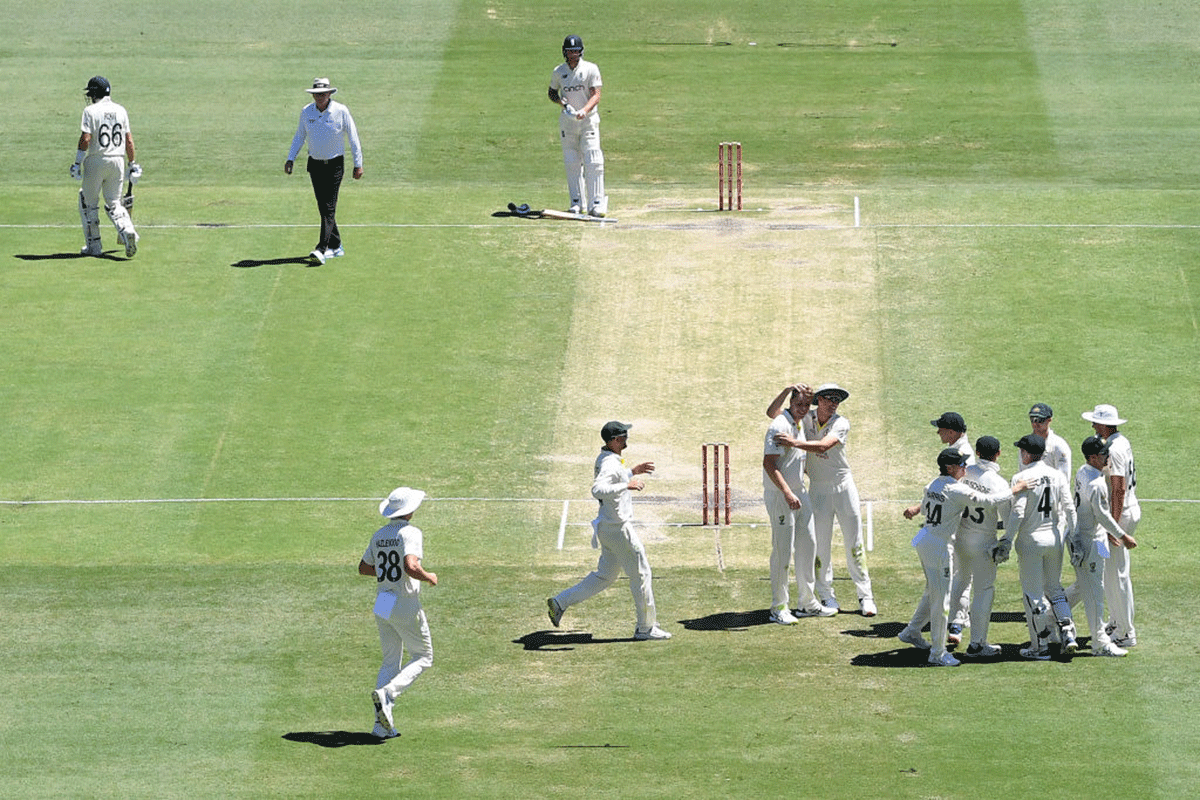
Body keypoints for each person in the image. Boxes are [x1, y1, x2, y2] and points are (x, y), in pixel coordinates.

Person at [899, 449, 1024, 666]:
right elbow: (988, 500)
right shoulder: (957, 490)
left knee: (933, 591)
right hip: (939, 546)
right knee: (942, 600)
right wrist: (1014, 490)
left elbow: (927, 507)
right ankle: (937, 653)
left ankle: (912, 632)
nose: (965, 469)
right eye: (961, 465)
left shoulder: (932, 484)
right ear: (950, 468)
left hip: (924, 539)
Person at [547, 421, 670, 640]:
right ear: (614, 441)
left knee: (605, 577)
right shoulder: (608, 463)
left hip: (607, 528)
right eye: (623, 437)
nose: (626, 440)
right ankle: (645, 628)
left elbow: (615, 476)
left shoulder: (608, 458)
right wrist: (627, 485)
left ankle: (560, 603)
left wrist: (632, 472)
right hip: (618, 530)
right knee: (642, 574)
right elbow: (598, 489)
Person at [779, 383, 875, 616]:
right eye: (829, 398)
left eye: (837, 400)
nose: (833, 404)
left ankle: (866, 597)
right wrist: (786, 391)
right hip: (818, 491)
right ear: (818, 400)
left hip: (843, 486)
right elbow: (774, 415)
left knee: (854, 542)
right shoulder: (804, 418)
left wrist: (794, 443)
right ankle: (827, 596)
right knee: (820, 545)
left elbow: (824, 445)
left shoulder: (841, 423)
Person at [359, 487, 437, 739]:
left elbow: (364, 568)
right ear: (410, 510)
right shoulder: (411, 532)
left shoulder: (379, 534)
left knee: (390, 661)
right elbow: (411, 566)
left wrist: (386, 573)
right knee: (424, 656)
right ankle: (389, 693)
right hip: (404, 601)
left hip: (383, 600)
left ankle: (380, 727)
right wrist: (428, 577)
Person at [992, 434, 1079, 660]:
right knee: (1055, 589)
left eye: (1022, 450)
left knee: (1033, 594)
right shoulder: (1057, 476)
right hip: (1054, 538)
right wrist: (1075, 536)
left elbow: (1018, 512)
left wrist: (1007, 540)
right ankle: (1068, 631)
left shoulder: (1022, 477)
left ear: (1028, 454)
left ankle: (1039, 646)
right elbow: (1069, 508)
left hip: (1030, 541)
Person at [761, 384, 835, 624]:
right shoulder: (779, 425)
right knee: (783, 551)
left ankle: (807, 602)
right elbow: (769, 464)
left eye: (806, 405)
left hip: (800, 493)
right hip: (781, 496)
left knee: (808, 545)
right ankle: (778, 607)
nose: (803, 409)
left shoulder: (799, 422)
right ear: (790, 403)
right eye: (798, 404)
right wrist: (786, 492)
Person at [1069, 436, 1137, 657]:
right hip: (1094, 541)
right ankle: (1100, 643)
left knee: (1086, 584)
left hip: (1090, 539)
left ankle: (1052, 617)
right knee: (1096, 592)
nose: (1108, 457)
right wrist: (1122, 535)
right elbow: (1103, 516)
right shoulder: (1097, 484)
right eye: (1104, 454)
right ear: (1093, 457)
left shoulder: (1082, 471)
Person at [285, 77, 363, 266]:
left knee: (329, 207)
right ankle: (336, 246)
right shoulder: (307, 112)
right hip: (315, 165)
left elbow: (353, 137)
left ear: (329, 94)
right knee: (323, 206)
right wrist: (290, 158)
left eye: (323, 94)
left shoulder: (341, 111)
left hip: (335, 165)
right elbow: (299, 136)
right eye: (317, 94)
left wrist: (358, 163)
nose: (320, 97)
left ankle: (322, 248)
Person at [1081, 403, 1139, 648]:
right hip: (1123, 513)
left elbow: (1118, 489)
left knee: (1117, 574)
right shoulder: (1120, 442)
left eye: (1095, 422)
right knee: (1111, 572)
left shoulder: (1113, 449)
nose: (1093, 426)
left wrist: (1114, 529)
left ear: (1104, 424)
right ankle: (1116, 622)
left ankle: (1126, 632)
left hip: (1120, 515)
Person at [948, 436, 1011, 658]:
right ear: (998, 453)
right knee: (984, 590)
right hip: (984, 542)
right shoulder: (1000, 483)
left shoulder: (965, 472)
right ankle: (977, 643)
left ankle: (954, 624)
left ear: (977, 451)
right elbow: (1008, 518)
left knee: (961, 579)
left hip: (961, 538)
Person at [72, 76, 139, 258]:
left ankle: (94, 247)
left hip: (96, 160)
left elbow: (86, 139)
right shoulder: (121, 110)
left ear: (94, 93)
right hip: (118, 161)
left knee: (88, 204)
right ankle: (127, 230)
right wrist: (133, 164)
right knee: (114, 203)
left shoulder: (90, 111)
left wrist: (77, 163)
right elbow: (129, 141)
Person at [547, 35, 606, 217]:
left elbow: (596, 95)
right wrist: (563, 104)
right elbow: (551, 92)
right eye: (570, 51)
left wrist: (584, 110)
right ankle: (576, 203)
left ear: (581, 51)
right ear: (564, 52)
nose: (573, 54)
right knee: (572, 162)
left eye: (576, 51)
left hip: (588, 121)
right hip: (568, 122)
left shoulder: (590, 69)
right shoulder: (559, 71)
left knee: (593, 160)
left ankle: (596, 203)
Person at [930, 411, 972, 643]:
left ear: (953, 432)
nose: (938, 432)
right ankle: (956, 618)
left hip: (960, 522)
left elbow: (960, 490)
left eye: (941, 428)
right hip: (955, 519)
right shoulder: (959, 450)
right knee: (958, 574)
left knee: (961, 574)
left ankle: (956, 622)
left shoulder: (962, 454)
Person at [1029, 403, 1071, 480]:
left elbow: (1063, 479)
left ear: (1049, 420)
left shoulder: (1059, 446)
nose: (1035, 424)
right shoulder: (1026, 445)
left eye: (1039, 420)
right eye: (1032, 419)